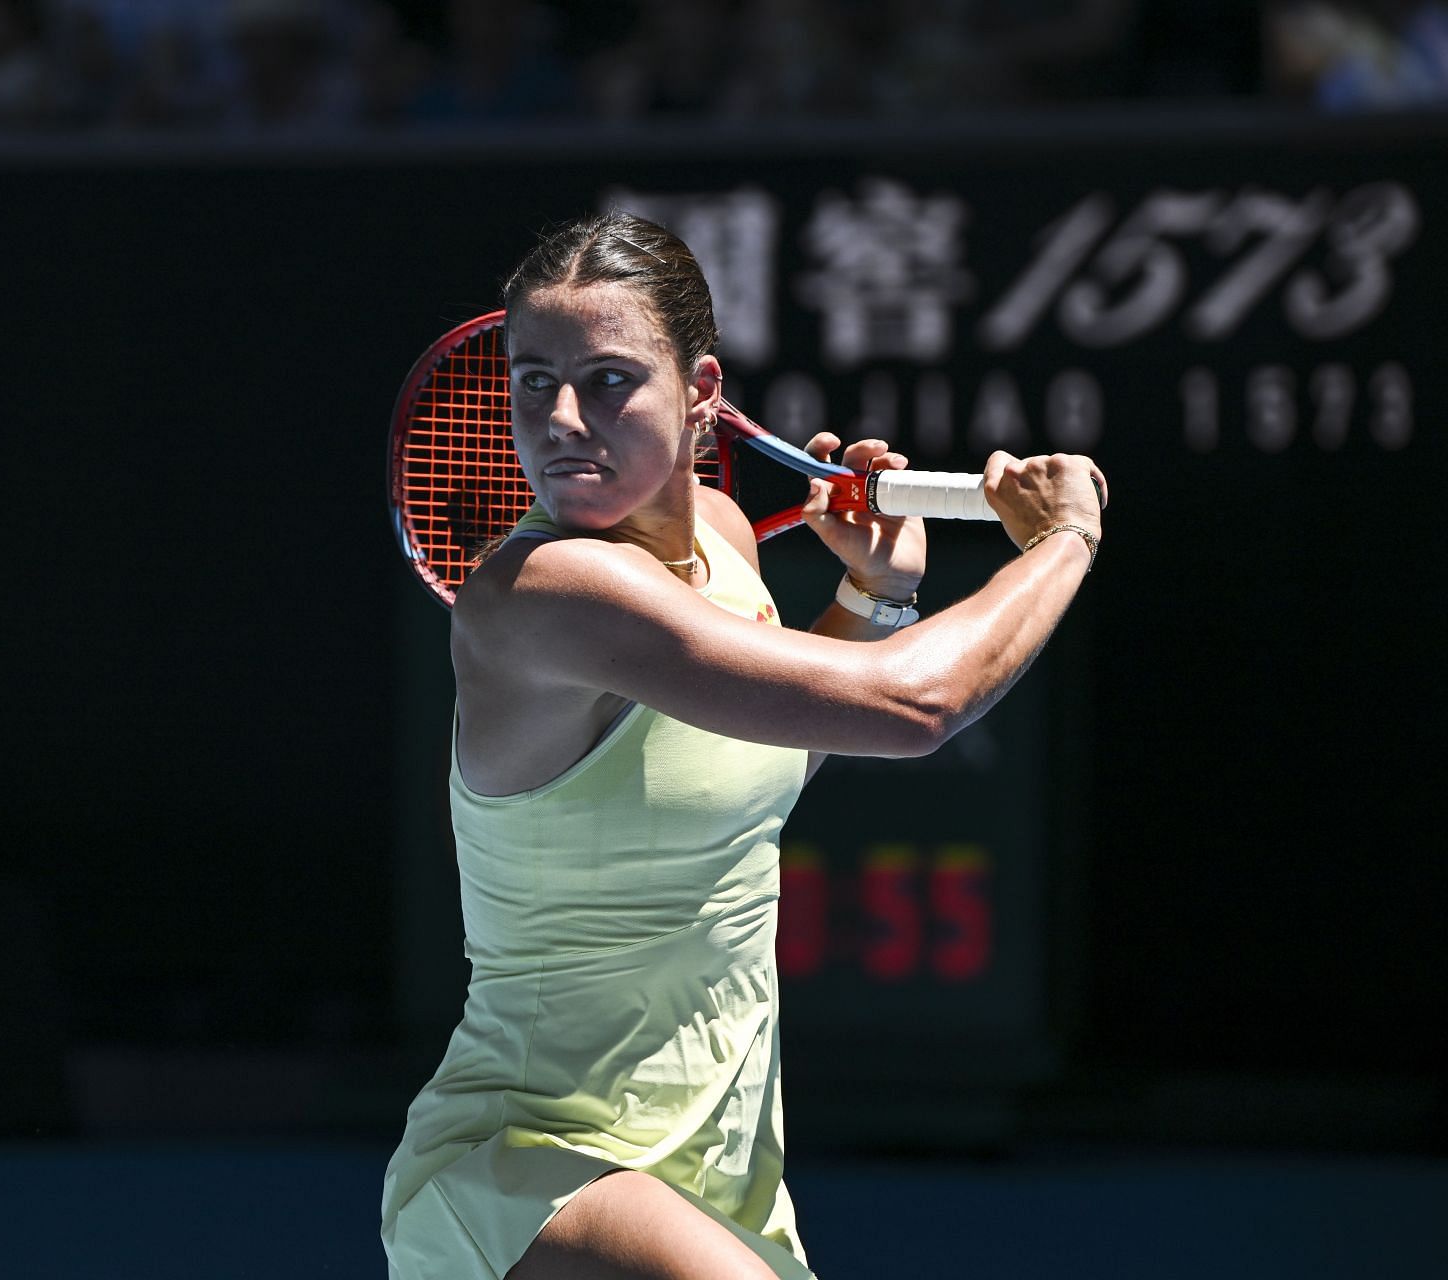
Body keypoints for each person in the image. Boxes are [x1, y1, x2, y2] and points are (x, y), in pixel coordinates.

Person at [378, 211, 1107, 1280]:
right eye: (535, 381)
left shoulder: (722, 534)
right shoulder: (541, 593)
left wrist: (875, 593)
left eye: (610, 379)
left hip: (720, 1172)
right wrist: (1063, 540)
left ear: (703, 393)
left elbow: (763, 761)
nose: (564, 417)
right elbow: (917, 708)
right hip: (528, 1159)